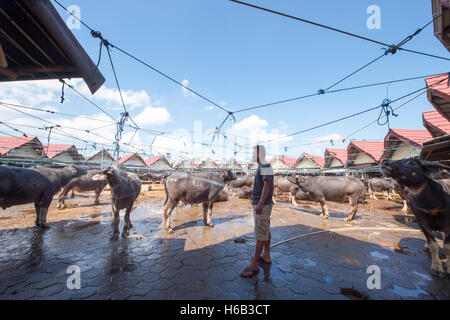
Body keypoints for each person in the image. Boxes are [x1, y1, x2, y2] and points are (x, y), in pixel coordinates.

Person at [241, 145, 274, 277]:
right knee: (265, 230)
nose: (252, 155)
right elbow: (263, 184)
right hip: (262, 204)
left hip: (262, 205)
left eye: (254, 153)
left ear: (260, 154)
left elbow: (267, 185)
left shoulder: (265, 166)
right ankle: (266, 255)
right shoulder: (262, 166)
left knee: (260, 232)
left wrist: (260, 203)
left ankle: (254, 265)